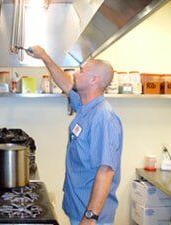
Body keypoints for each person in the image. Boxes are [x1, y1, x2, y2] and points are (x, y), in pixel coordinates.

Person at [25, 46, 123, 225]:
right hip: (78, 207)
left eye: (81, 71)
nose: (76, 74)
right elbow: (65, 83)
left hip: (92, 216)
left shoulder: (104, 118)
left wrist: (91, 216)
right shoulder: (85, 106)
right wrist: (44, 57)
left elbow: (106, 171)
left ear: (94, 79)